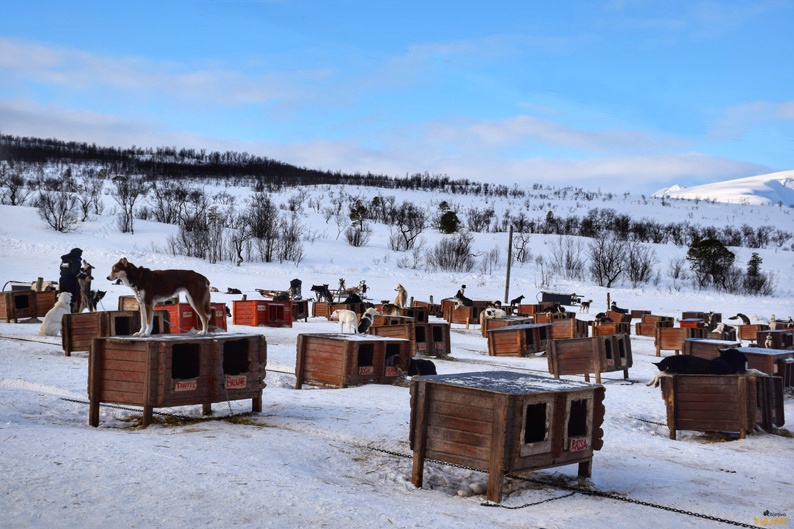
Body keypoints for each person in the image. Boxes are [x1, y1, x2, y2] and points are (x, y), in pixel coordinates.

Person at [59, 248, 91, 313]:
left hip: (62, 280)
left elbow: (63, 268)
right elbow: (75, 272)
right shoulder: (76, 260)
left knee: (63, 298)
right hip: (71, 281)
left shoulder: (64, 260)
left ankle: (62, 314)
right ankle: (69, 315)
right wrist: (84, 277)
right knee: (71, 298)